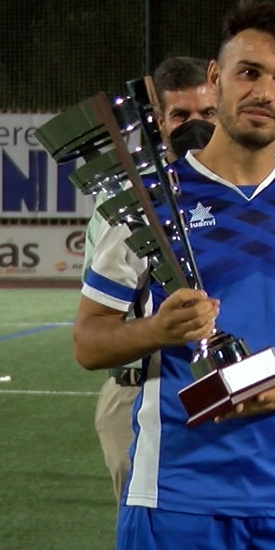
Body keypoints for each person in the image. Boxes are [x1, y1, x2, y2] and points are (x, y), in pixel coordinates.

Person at [72, 0, 275, 550]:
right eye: (249, 72)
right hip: (177, 491)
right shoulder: (145, 203)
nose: (265, 91)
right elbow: (89, 342)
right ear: (216, 77)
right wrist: (157, 329)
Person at [88, 55, 219, 503]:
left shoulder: (244, 192)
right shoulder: (129, 202)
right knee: (148, 537)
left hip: (218, 390)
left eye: (208, 114)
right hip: (139, 390)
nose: (195, 126)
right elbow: (101, 318)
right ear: (160, 122)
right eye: (181, 115)